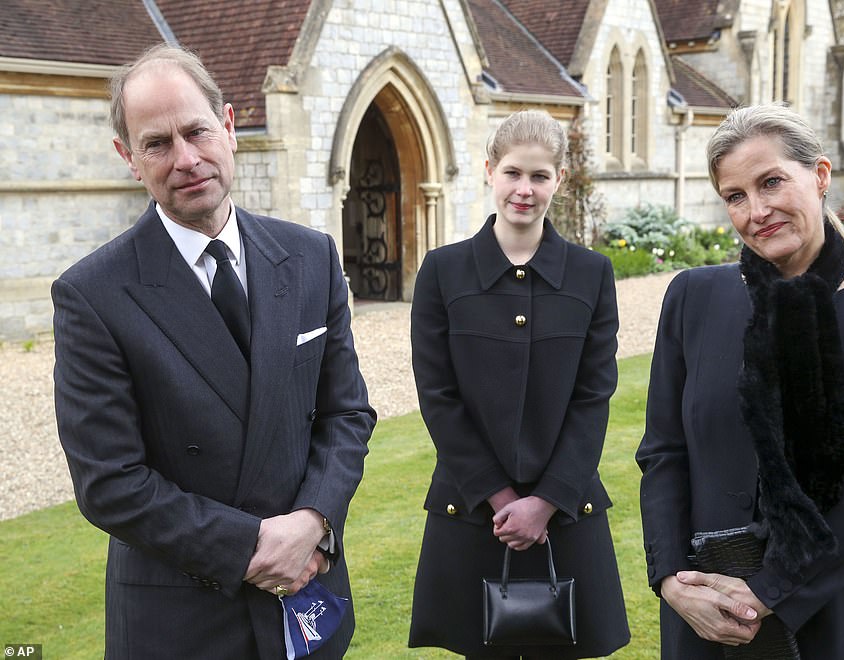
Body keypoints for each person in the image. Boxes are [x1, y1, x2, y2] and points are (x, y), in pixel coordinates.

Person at [52, 44, 375, 659]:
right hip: (182, 622)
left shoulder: (310, 257)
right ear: (128, 159)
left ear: (228, 126)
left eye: (196, 131)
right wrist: (251, 547)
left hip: (308, 599)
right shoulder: (92, 294)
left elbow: (346, 415)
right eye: (157, 144)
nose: (186, 159)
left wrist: (313, 525)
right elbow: (109, 483)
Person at [636, 104, 844, 659]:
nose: (757, 210)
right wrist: (671, 578)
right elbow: (663, 452)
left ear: (820, 176)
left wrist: (769, 591)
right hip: (702, 611)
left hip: (824, 610)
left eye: (771, 181)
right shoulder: (693, 297)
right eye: (736, 196)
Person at [408, 109, 631, 658]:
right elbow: (438, 398)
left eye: (539, 176)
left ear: (559, 178)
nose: (524, 190)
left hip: (566, 517)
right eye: (512, 173)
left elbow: (593, 397)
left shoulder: (592, 273)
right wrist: (502, 497)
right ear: (489, 171)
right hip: (474, 514)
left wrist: (546, 501)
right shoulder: (442, 271)